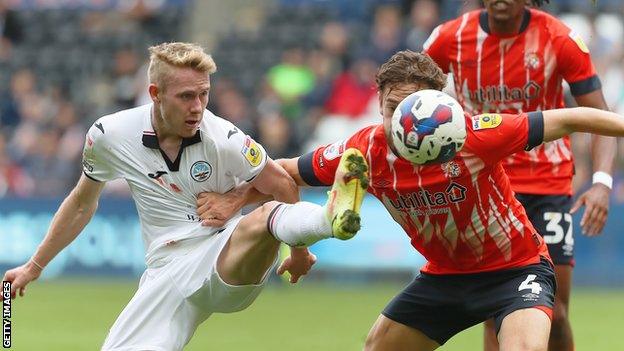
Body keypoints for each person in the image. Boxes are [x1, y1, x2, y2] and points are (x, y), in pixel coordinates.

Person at [195, 51, 624, 351]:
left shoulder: (475, 135)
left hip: (517, 270)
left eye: (410, 107)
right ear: (378, 103)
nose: (404, 123)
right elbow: (283, 172)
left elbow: (570, 118)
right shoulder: (364, 149)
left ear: (439, 104)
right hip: (444, 278)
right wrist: (235, 200)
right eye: (390, 107)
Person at [1, 42, 370, 351]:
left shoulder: (225, 139)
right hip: (165, 271)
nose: (198, 106)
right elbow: (82, 202)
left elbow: (284, 184)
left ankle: (329, 218)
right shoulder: (109, 135)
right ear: (155, 94)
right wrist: (34, 266)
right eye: (186, 96)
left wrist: (298, 251)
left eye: (204, 94)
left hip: (223, 256)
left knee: (266, 214)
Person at [422, 1, 616, 350]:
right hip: (483, 188)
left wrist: (602, 181)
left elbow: (598, 115)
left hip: (548, 185)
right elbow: (412, 103)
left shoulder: (558, 38)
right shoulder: (449, 38)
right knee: (498, 309)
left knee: (554, 313)